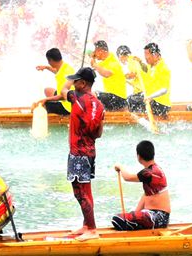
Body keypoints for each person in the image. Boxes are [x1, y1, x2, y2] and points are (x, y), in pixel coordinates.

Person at [48, 66, 105, 241]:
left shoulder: (77, 98)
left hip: (78, 152)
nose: (74, 84)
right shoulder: (99, 104)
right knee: (84, 190)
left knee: (81, 192)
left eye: (76, 81)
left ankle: (92, 229)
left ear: (83, 83)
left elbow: (64, 89)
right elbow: (98, 133)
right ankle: (87, 225)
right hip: (89, 152)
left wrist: (70, 81)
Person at [112, 141, 170, 230]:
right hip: (153, 215)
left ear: (139, 156)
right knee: (120, 219)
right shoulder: (154, 170)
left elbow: (127, 177)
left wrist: (120, 166)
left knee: (117, 219)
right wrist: (135, 214)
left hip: (159, 217)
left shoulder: (149, 172)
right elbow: (145, 196)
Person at [132, 42, 171, 117]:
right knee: (131, 98)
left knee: (133, 101)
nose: (146, 58)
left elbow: (164, 90)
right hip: (152, 99)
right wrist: (140, 62)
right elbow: (146, 69)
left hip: (161, 105)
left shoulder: (163, 69)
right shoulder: (152, 65)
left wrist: (150, 97)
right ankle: (139, 117)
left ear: (155, 55)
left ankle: (140, 119)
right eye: (145, 56)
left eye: (147, 56)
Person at [35, 47, 75, 116]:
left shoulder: (65, 74)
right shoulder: (64, 66)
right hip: (65, 96)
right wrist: (46, 67)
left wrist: (46, 99)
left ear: (51, 61)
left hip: (67, 106)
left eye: (48, 61)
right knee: (47, 90)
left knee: (41, 105)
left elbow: (64, 96)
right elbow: (56, 71)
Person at [90, 40, 128, 111]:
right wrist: (92, 58)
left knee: (93, 94)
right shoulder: (104, 62)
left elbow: (106, 74)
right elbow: (93, 69)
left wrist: (95, 64)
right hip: (111, 97)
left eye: (95, 51)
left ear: (100, 51)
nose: (94, 53)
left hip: (119, 99)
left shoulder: (114, 62)